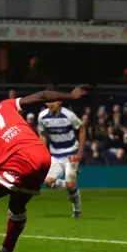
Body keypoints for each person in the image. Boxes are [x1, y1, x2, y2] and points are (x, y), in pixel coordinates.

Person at [0, 85, 89, 252]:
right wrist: (70, 95)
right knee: (17, 205)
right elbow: (42, 95)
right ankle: (6, 251)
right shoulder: (5, 105)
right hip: (43, 156)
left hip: (18, 160)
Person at [37, 89, 85, 219]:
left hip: (71, 153)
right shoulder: (42, 117)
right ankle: (71, 186)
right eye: (48, 101)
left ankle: (77, 209)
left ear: (60, 102)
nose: (51, 103)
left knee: (70, 184)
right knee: (47, 182)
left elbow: (81, 129)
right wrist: (42, 152)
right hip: (55, 155)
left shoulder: (68, 115)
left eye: (53, 100)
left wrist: (80, 152)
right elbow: (43, 135)